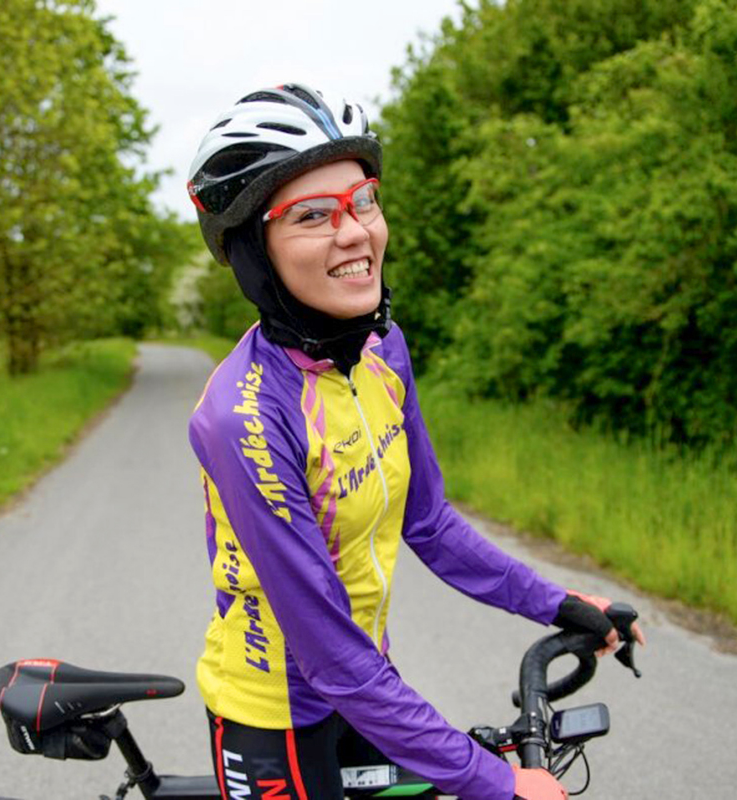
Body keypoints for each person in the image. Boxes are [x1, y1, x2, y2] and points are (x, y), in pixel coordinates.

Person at [185, 83, 644, 800]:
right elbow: (328, 655)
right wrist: (495, 782)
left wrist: (557, 603)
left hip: (370, 687)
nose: (354, 232)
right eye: (312, 215)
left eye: (362, 200)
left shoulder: (383, 349)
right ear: (252, 250)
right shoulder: (243, 419)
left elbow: (427, 521)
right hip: (275, 715)